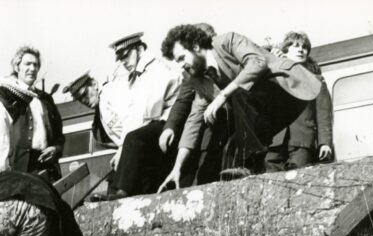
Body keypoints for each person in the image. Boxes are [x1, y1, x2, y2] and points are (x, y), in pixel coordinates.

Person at [159, 25, 322, 187]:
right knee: (231, 148)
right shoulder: (198, 77)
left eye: (181, 58)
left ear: (195, 46)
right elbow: (194, 120)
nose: (180, 65)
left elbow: (258, 63)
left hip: (288, 87)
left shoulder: (227, 41)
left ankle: (246, 163)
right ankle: (252, 170)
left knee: (237, 94)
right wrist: (177, 167)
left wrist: (223, 95)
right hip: (262, 109)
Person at [103, 32, 183, 197]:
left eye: (126, 56)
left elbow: (145, 113)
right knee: (127, 150)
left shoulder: (155, 70)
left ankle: (124, 191)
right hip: (155, 123)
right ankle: (114, 194)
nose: (124, 62)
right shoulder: (138, 75)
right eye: (121, 59)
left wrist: (122, 148)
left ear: (139, 49)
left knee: (134, 139)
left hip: (168, 123)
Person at [157, 23, 224, 188]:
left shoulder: (224, 57)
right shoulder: (191, 73)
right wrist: (170, 126)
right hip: (205, 122)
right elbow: (185, 101)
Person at [265, 31, 334, 170]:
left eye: (304, 47)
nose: (301, 50)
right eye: (296, 46)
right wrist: (272, 62)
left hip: (303, 140)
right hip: (275, 139)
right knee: (270, 176)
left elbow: (324, 113)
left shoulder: (316, 80)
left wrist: (324, 143)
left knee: (298, 178)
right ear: (285, 50)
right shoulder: (275, 75)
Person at [3, 45, 65, 182]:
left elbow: (59, 134)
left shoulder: (45, 99)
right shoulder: (6, 96)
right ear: (16, 67)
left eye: (35, 65)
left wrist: (56, 148)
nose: (32, 69)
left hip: (47, 167)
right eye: (27, 64)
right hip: (18, 168)